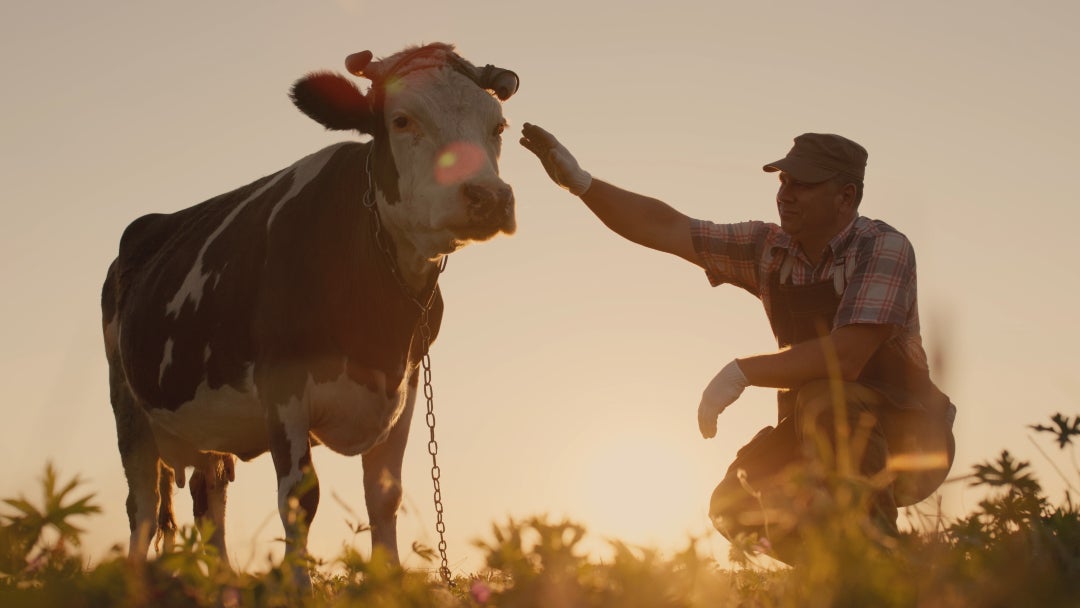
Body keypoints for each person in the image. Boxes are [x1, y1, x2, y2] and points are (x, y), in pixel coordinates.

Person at [519, 123, 957, 563]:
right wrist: (581, 184)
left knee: (828, 400)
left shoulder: (883, 247)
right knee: (736, 507)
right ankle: (839, 577)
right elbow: (666, 226)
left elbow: (846, 357)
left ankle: (883, 575)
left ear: (846, 196)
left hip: (912, 441)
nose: (785, 194)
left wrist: (742, 372)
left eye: (802, 185)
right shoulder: (767, 249)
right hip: (818, 435)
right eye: (783, 181)